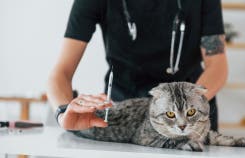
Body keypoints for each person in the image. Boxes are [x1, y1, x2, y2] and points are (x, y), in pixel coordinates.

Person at [47, 0, 228, 132]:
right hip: (125, 113)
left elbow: (217, 65)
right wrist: (63, 113)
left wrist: (186, 107)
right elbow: (61, 72)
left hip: (187, 116)